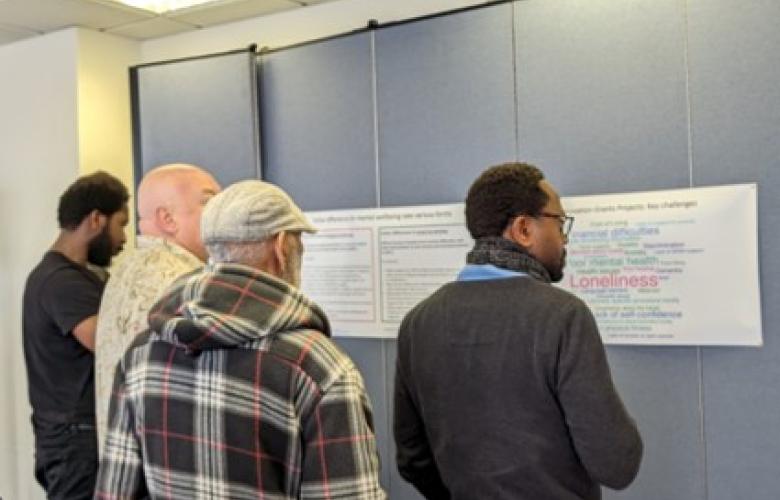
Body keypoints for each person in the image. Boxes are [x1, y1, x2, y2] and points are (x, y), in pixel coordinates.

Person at [95, 180, 386, 499]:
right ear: (281, 246)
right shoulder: (319, 369)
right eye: (299, 242)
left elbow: (115, 491)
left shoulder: (142, 352)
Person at [393, 162, 643, 500]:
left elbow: (413, 459)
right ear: (523, 229)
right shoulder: (563, 316)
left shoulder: (417, 323)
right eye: (559, 222)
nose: (564, 237)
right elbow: (616, 463)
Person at [94, 163, 220, 450]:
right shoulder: (185, 282)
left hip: (123, 463)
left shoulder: (124, 271)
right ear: (167, 218)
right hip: (170, 465)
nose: (221, 214)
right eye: (209, 202)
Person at [22, 171, 129, 499]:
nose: (124, 239)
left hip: (72, 437)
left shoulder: (63, 276)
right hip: (76, 442)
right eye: (121, 224)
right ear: (96, 219)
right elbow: (109, 344)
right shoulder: (64, 281)